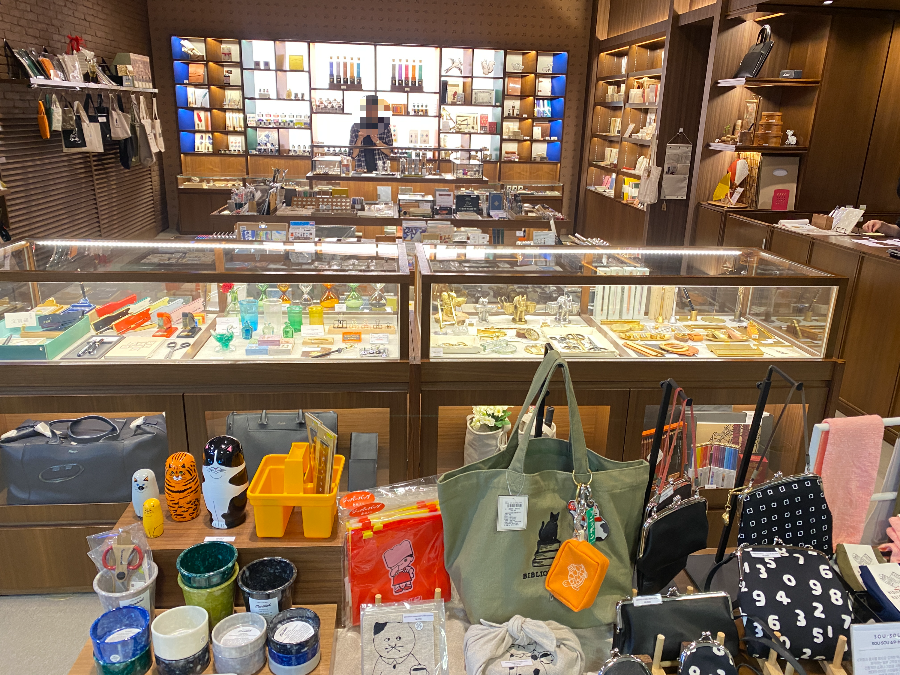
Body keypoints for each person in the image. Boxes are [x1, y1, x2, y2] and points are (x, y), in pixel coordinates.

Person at [348, 95, 392, 173]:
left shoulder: (385, 127)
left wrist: (377, 141)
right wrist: (359, 139)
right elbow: (353, 155)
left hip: (380, 169)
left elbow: (390, 152)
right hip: (361, 169)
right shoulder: (355, 127)